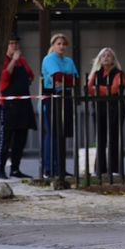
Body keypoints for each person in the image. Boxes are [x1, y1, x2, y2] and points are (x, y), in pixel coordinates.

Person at [0, 33, 37, 179]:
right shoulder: (3, 60)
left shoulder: (23, 61)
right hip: (8, 104)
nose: (14, 46)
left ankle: (15, 168)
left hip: (23, 103)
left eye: (16, 43)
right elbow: (4, 78)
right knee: (6, 138)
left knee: (21, 138)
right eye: (11, 43)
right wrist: (13, 60)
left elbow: (31, 75)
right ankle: (0, 169)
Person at [41, 33, 79, 178]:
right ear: (53, 45)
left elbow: (76, 79)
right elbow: (57, 78)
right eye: (59, 43)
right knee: (52, 133)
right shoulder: (49, 59)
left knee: (62, 134)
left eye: (64, 44)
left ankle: (61, 167)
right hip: (52, 97)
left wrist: (65, 79)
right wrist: (66, 79)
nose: (62, 46)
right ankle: (49, 168)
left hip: (67, 96)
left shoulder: (68, 61)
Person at [87, 48, 125, 175]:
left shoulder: (119, 73)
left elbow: (115, 89)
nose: (106, 57)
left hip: (115, 109)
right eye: (103, 55)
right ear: (99, 58)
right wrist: (104, 89)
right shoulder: (96, 73)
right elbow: (88, 89)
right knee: (100, 139)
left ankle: (114, 169)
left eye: (109, 55)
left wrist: (98, 89)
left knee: (113, 139)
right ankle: (100, 169)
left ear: (113, 59)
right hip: (99, 109)